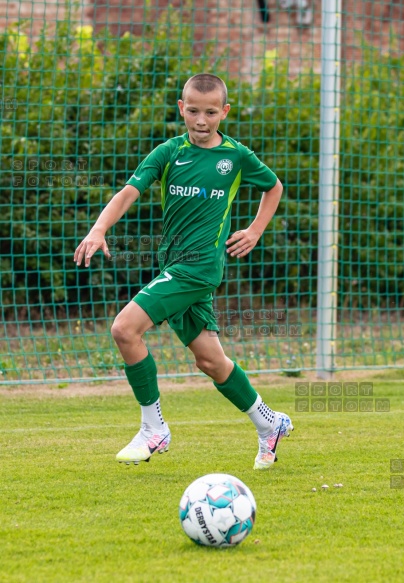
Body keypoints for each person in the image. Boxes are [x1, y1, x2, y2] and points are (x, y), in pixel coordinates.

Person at [74, 73, 293, 470]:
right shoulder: (168, 153)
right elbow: (128, 192)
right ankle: (270, 423)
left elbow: (273, 186)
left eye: (211, 112)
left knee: (124, 329)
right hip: (174, 265)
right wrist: (98, 228)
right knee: (210, 361)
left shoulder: (236, 156)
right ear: (181, 108)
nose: (201, 120)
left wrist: (255, 230)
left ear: (224, 112)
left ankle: (153, 429)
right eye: (193, 110)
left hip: (200, 267)